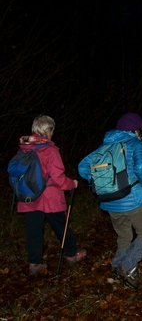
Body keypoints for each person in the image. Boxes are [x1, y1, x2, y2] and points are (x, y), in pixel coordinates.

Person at [78, 113, 142, 288]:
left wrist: (101, 182)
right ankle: (126, 267)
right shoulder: (136, 144)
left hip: (110, 201)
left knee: (124, 234)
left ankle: (117, 265)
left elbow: (82, 167)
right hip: (133, 198)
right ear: (136, 130)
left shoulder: (104, 146)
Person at [15, 115, 86, 274]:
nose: (53, 133)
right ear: (48, 130)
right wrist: (72, 184)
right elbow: (58, 179)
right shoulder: (50, 150)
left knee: (33, 232)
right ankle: (71, 254)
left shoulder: (23, 147)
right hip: (49, 198)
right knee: (62, 226)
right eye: (52, 130)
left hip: (29, 196)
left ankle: (35, 264)